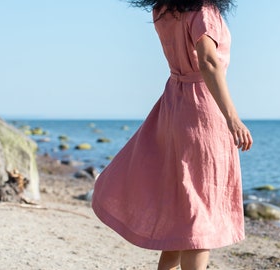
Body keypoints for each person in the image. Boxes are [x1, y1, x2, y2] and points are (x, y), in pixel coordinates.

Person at [92, 0, 253, 269]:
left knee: (182, 210)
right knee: (201, 217)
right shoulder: (202, 10)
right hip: (202, 110)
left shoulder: (163, 10)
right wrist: (233, 118)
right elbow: (208, 61)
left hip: (173, 105)